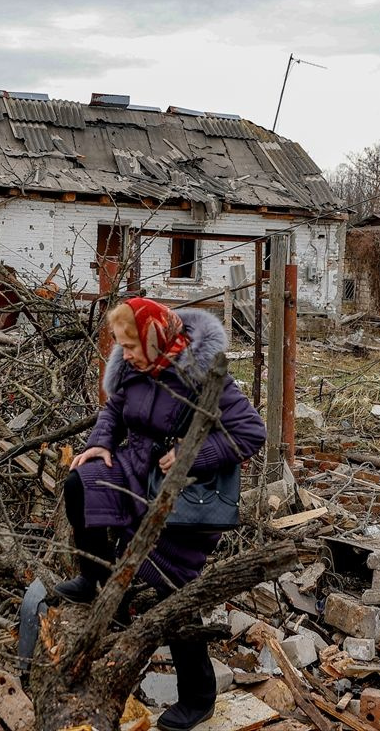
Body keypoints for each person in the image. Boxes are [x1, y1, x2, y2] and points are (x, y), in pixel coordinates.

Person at [54, 297, 266, 731]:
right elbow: (114, 410)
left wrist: (193, 455)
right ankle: (95, 578)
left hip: (185, 492)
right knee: (81, 482)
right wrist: (99, 441)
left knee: (170, 586)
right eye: (121, 346)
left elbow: (251, 432)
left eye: (129, 345)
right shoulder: (135, 366)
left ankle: (198, 695)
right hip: (137, 469)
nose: (124, 353)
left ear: (154, 338)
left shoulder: (201, 372)